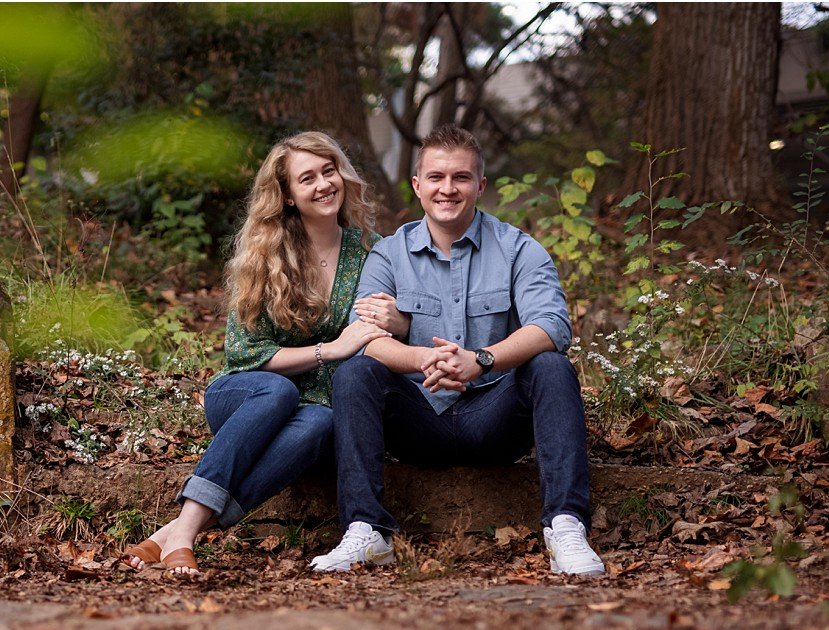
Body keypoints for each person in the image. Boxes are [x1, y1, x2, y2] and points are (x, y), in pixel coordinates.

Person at [312, 124, 606, 577]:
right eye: (436, 177)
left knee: (551, 366)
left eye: (461, 178)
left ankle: (565, 526)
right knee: (353, 372)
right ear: (417, 185)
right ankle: (366, 531)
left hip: (494, 419)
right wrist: (420, 358)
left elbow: (552, 325)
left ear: (480, 185)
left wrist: (481, 360)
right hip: (417, 420)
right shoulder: (389, 256)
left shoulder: (518, 249)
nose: (447, 189)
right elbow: (364, 336)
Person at [125, 131, 403, 576]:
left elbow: (388, 328)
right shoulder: (266, 255)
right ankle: (188, 528)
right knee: (278, 392)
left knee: (321, 422)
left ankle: (180, 529)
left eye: (328, 171)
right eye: (306, 178)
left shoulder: (371, 252)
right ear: (289, 196)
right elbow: (244, 354)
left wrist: (397, 320)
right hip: (246, 396)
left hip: (316, 406)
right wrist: (329, 350)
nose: (322, 185)